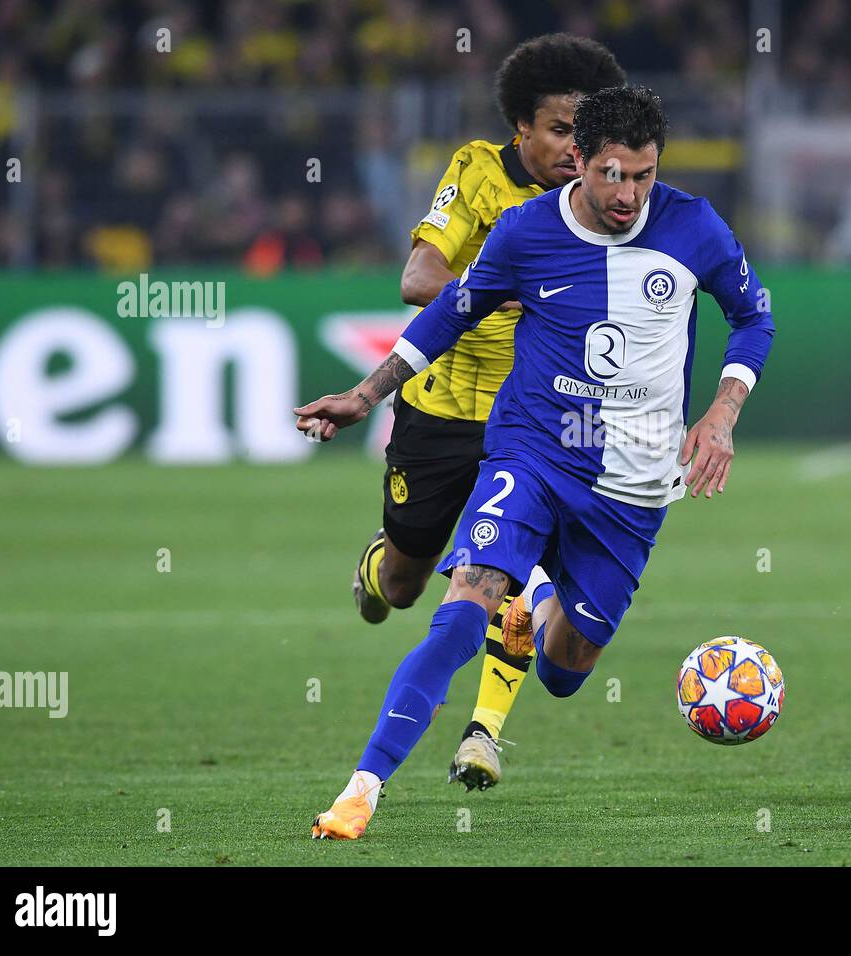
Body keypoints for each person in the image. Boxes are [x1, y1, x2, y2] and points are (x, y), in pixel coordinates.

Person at [295, 86, 774, 840]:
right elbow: (452, 311)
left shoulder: (695, 226)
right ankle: (361, 789)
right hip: (535, 451)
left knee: (564, 669)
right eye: (612, 173)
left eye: (643, 175)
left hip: (635, 484)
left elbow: (753, 317)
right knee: (463, 604)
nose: (628, 193)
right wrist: (366, 392)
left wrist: (721, 413)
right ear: (578, 161)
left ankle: (538, 606)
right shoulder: (523, 232)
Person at [353, 34, 625, 791]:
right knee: (407, 584)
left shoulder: (613, 199)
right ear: (522, 130)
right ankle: (380, 569)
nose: (578, 148)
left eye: (588, 131)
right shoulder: (477, 172)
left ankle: (483, 734)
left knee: (504, 576)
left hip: (537, 420)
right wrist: (502, 290)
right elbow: (419, 276)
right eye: (561, 130)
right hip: (441, 411)